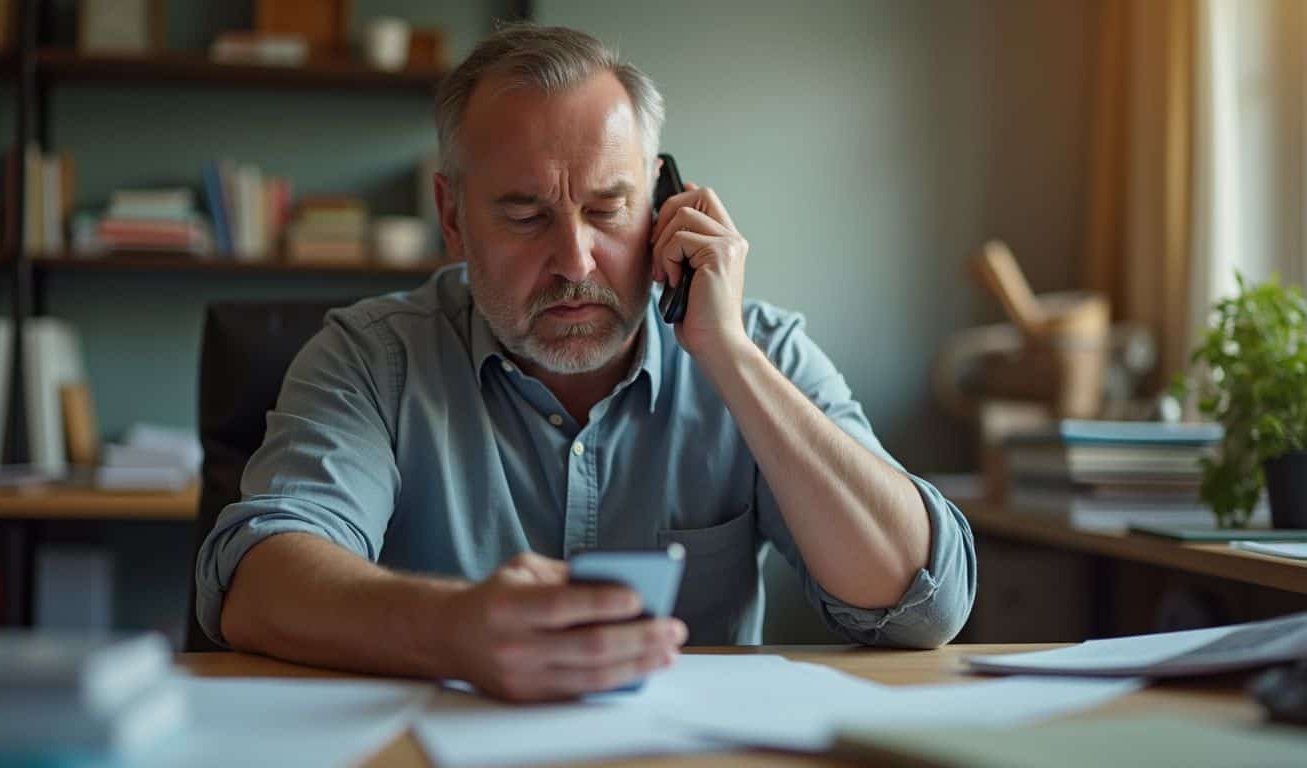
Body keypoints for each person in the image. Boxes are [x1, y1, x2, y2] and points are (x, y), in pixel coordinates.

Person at [196, 23, 976, 702]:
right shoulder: (371, 358)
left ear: (667, 203)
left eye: (608, 210)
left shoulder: (759, 352)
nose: (575, 259)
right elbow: (257, 582)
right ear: (452, 216)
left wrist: (730, 358)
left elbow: (921, 605)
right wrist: (452, 629)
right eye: (526, 214)